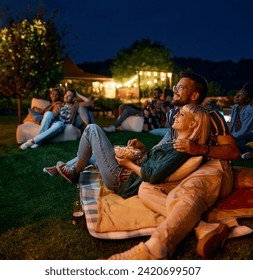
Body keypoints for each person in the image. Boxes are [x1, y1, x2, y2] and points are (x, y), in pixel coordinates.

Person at [105, 72, 240, 260]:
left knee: (186, 193)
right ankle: (203, 227)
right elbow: (169, 156)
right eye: (175, 87)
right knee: (146, 188)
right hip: (187, 169)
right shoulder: (176, 117)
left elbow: (233, 152)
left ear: (194, 96)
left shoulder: (211, 116)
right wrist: (145, 152)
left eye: (180, 88)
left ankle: (155, 248)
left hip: (212, 167)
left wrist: (200, 148)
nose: (175, 90)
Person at [53, 104, 211, 192]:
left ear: (192, 124)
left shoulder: (183, 149)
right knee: (97, 153)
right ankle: (69, 168)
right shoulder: (176, 141)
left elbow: (154, 175)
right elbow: (156, 162)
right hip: (125, 173)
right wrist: (142, 149)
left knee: (92, 130)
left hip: (121, 178)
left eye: (181, 115)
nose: (176, 115)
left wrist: (128, 164)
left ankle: (74, 172)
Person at [20, 88, 94, 150]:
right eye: (66, 94)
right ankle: (39, 141)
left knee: (59, 123)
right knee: (48, 113)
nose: (66, 97)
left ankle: (32, 141)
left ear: (74, 99)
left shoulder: (75, 105)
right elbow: (47, 113)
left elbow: (90, 103)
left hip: (62, 125)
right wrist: (53, 107)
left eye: (69, 96)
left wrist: (78, 94)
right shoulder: (59, 104)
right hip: (54, 122)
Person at [102, 88, 167, 132]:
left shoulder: (161, 103)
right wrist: (145, 106)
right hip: (142, 111)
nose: (154, 94)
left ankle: (114, 126)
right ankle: (119, 121)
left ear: (160, 94)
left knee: (127, 111)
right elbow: (144, 109)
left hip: (146, 114)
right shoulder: (151, 101)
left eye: (156, 93)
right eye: (154, 93)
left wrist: (148, 108)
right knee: (122, 106)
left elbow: (158, 112)